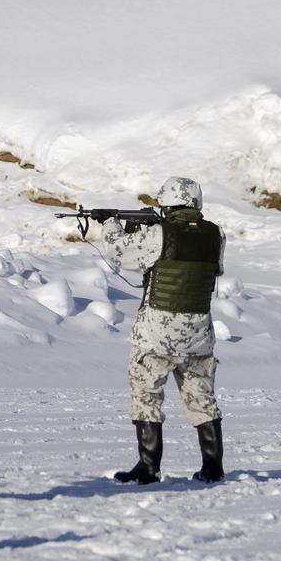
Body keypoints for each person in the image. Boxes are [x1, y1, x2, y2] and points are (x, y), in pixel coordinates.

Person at [103, 177, 226, 484]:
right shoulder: (215, 234)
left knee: (146, 395)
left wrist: (110, 226)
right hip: (198, 334)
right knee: (202, 399)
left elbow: (121, 254)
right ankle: (213, 467)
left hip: (157, 333)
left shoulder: (160, 232)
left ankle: (148, 467)